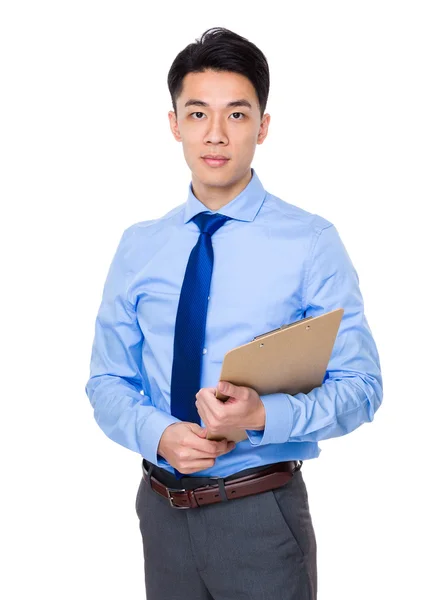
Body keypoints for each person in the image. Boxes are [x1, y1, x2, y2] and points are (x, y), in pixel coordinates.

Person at [85, 26, 383, 600]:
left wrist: (260, 416)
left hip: (259, 517)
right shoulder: (138, 246)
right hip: (161, 512)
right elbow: (107, 381)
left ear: (263, 126)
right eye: (197, 114)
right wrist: (159, 433)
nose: (215, 134)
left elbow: (364, 387)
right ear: (174, 123)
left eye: (237, 115)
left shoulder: (311, 242)